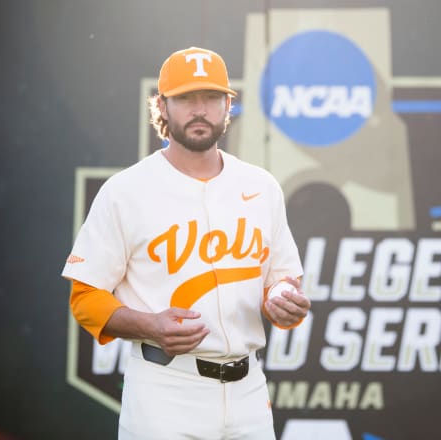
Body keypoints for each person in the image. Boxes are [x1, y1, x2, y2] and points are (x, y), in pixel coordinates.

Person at [61, 46, 310, 439]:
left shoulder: (261, 186)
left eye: (211, 98)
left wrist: (282, 300)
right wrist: (149, 325)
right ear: (161, 106)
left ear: (228, 104)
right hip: (166, 389)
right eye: (185, 98)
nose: (200, 109)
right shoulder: (125, 191)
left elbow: (281, 280)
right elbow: (85, 298)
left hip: (249, 390)